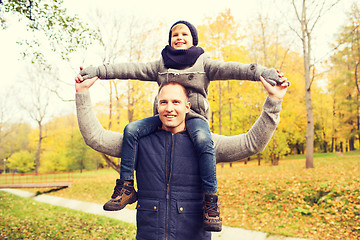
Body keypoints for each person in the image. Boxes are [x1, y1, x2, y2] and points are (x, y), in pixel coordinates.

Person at [76, 20, 288, 232]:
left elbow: (252, 142)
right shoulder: (142, 141)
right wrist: (86, 88)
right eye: (164, 102)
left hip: (193, 233)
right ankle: (126, 187)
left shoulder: (206, 142)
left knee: (203, 140)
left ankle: (210, 201)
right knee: (130, 128)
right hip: (151, 235)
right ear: (157, 105)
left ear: (187, 105)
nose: (170, 108)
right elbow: (96, 135)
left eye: (176, 102)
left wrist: (272, 97)